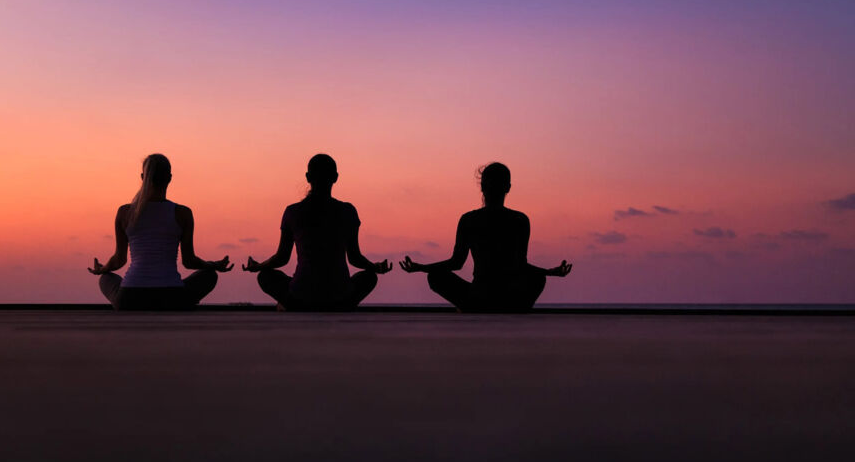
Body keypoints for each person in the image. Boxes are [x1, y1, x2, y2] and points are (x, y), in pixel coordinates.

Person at [399, 162, 571, 312]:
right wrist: (548, 273)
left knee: (436, 276)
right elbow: (520, 265)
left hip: (478, 296)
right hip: (508, 296)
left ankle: (476, 307)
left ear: (482, 187)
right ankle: (512, 307)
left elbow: (456, 263)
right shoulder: (520, 220)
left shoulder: (470, 219)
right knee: (537, 278)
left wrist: (421, 267)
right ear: (508, 187)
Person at [243, 154, 392, 310]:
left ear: (308, 177)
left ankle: (291, 304)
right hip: (339, 294)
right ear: (335, 178)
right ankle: (339, 304)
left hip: (301, 294)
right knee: (369, 277)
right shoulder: (348, 211)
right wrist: (375, 268)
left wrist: (259, 266)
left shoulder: (293, 212)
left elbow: (281, 258)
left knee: (265, 276)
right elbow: (355, 258)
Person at [88, 154, 232, 310]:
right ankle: (185, 303)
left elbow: (118, 260)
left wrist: (101, 269)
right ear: (169, 178)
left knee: (105, 278)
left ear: (143, 177)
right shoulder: (182, 213)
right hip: (172, 297)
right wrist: (213, 265)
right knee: (209, 275)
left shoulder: (125, 212)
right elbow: (189, 261)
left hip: (129, 298)